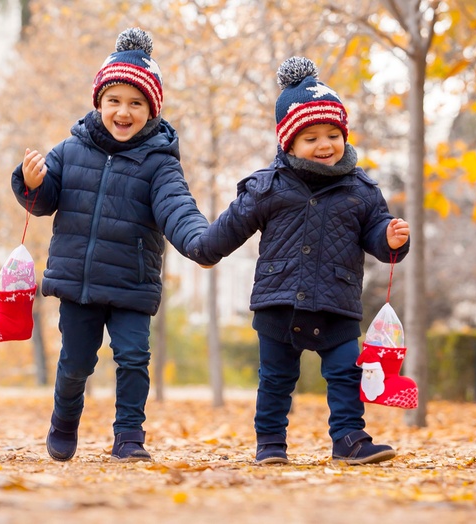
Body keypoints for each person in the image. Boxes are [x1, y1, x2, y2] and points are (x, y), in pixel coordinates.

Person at [186, 56, 410, 466]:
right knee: (275, 378)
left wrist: (390, 239)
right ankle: (270, 442)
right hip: (279, 297)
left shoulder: (361, 189)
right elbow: (234, 223)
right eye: (311, 137)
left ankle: (350, 438)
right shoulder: (269, 187)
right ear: (288, 142)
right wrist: (204, 251)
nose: (324, 144)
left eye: (332, 134)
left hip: (337, 299)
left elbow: (377, 233)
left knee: (345, 373)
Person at [12, 28, 208, 463]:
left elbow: (178, 207)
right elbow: (43, 202)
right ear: (99, 103)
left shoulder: (159, 162)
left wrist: (200, 241)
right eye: (114, 101)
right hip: (78, 282)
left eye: (136, 103)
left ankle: (129, 436)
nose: (124, 111)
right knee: (76, 364)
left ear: (152, 111)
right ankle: (64, 422)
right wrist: (31, 183)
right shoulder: (69, 150)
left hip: (131, 283)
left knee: (135, 358)